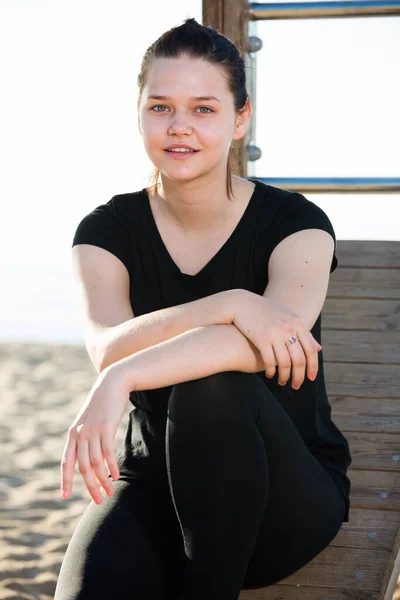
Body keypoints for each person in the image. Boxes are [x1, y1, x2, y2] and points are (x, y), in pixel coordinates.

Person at [54, 17, 352, 600]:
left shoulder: (297, 225)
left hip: (281, 494)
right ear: (138, 113)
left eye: (204, 109)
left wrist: (125, 376)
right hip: (153, 485)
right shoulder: (106, 230)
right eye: (161, 107)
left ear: (241, 120)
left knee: (213, 386)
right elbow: (108, 343)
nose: (180, 127)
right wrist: (233, 303)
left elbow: (267, 340)